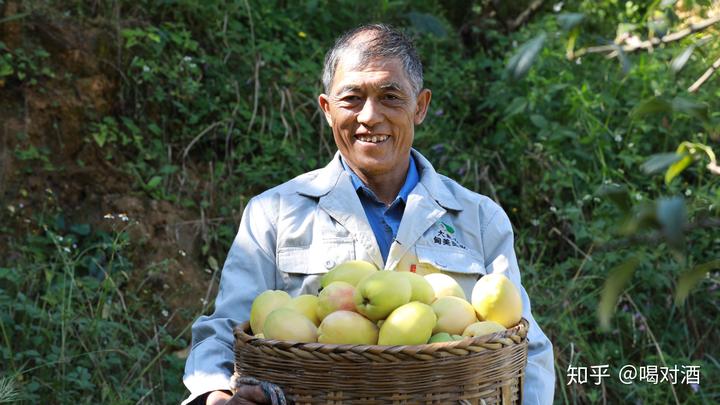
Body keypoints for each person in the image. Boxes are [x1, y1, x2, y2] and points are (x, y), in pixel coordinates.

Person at [182, 24, 555, 405]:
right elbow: (224, 331)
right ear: (327, 109)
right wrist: (215, 392)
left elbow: (528, 348)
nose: (369, 116)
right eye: (352, 98)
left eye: (390, 96)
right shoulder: (274, 213)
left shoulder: (479, 218)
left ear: (420, 106)